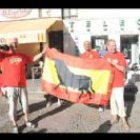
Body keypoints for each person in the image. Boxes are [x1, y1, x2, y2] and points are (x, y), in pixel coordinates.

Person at [0, 38, 46, 133]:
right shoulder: (3, 55)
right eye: (12, 43)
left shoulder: (21, 55)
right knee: (12, 107)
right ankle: (14, 125)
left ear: (18, 44)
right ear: (9, 44)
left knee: (25, 105)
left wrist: (42, 53)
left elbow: (32, 59)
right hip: (10, 86)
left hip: (22, 85)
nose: (14, 44)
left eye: (16, 43)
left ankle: (27, 121)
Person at [103, 39, 130, 131]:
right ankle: (115, 117)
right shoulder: (105, 56)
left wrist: (114, 64)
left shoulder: (120, 55)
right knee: (112, 102)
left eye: (114, 45)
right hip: (109, 84)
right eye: (111, 45)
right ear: (107, 46)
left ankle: (123, 120)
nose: (114, 47)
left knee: (120, 102)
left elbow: (123, 69)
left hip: (118, 84)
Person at [80, 41, 104, 112]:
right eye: (85, 44)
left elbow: (100, 62)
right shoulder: (82, 55)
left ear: (90, 45)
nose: (87, 46)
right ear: (83, 46)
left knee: (97, 89)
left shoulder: (95, 53)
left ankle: (100, 104)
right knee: (89, 89)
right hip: (87, 76)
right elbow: (80, 65)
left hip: (95, 75)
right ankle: (92, 101)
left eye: (88, 44)